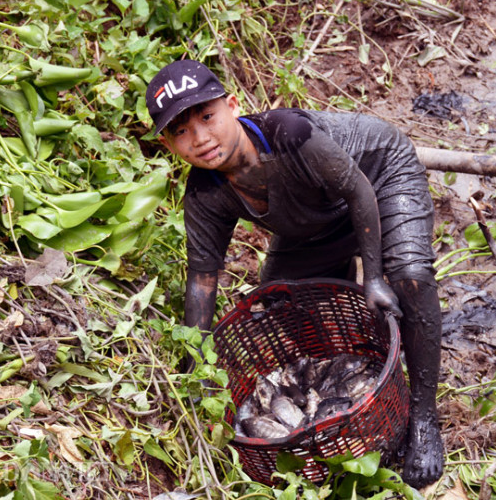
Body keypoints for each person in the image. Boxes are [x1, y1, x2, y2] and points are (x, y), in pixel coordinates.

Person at [144, 59, 444, 488]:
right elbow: (202, 279)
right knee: (280, 302)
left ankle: (424, 418)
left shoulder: (289, 135)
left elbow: (358, 190)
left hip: (379, 178)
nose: (201, 138)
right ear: (169, 145)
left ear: (232, 106)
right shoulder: (205, 193)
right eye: (181, 132)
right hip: (315, 222)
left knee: (410, 278)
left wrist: (374, 278)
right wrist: (194, 363)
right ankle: (356, 376)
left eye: (207, 118)